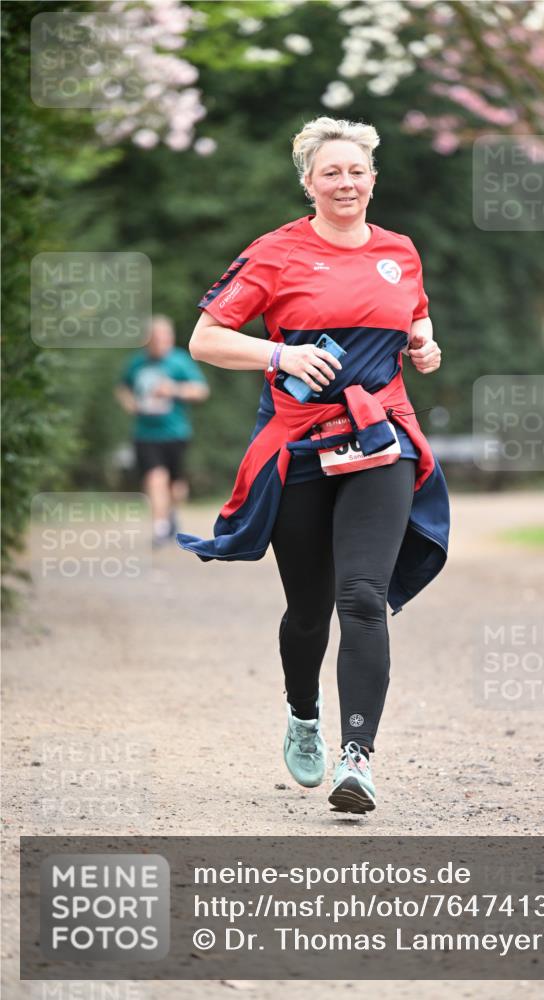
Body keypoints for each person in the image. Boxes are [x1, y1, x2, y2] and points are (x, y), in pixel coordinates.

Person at [177, 116, 450, 814]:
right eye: (331, 172)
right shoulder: (274, 253)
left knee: (362, 595)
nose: (345, 182)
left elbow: (413, 316)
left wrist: (424, 345)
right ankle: (303, 713)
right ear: (308, 182)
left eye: (356, 170)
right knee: (308, 609)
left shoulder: (399, 250)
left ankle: (354, 761)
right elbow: (205, 339)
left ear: (372, 178)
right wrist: (280, 354)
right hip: (299, 444)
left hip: (377, 437)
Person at [115, 315, 209, 546]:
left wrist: (174, 389)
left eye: (164, 337)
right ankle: (160, 528)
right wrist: (130, 404)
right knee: (156, 478)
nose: (160, 342)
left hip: (176, 432)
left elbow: (201, 390)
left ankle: (170, 514)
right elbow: (122, 387)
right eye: (155, 338)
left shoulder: (180, 361)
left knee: (176, 488)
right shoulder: (137, 363)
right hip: (145, 433)